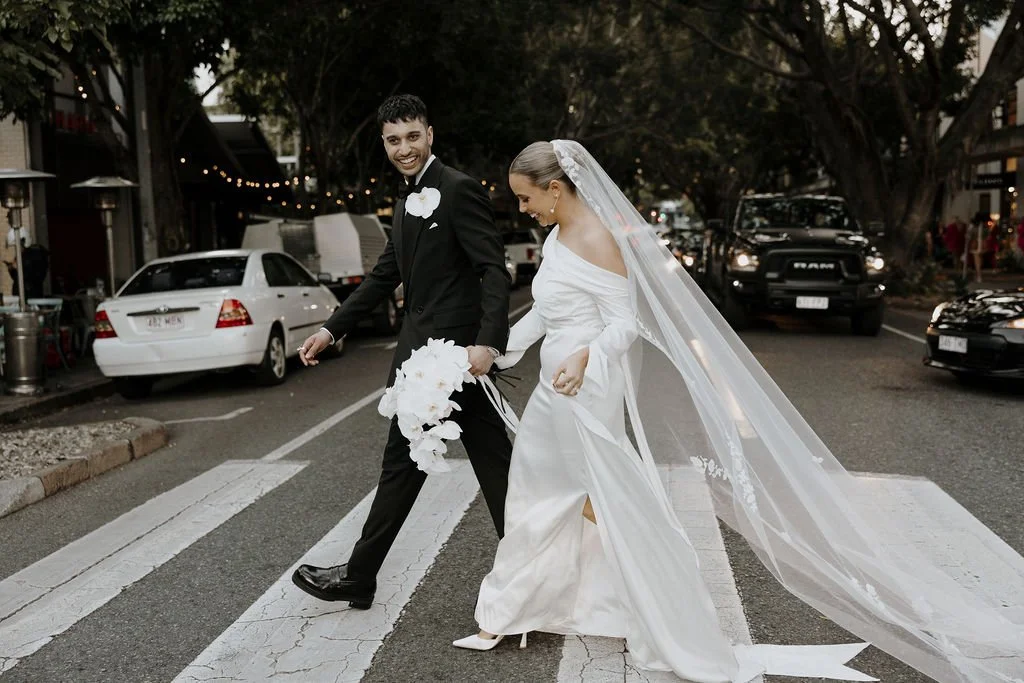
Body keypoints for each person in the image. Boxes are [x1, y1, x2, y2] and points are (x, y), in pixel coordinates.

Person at [453, 141, 1024, 683]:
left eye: (526, 198)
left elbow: (624, 324)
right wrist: (495, 350)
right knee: (553, 493)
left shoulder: (601, 240)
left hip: (587, 387)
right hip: (556, 389)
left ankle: (523, 611)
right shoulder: (554, 242)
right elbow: (545, 316)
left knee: (566, 494)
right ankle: (548, 604)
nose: (522, 209)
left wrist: (586, 356)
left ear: (556, 189)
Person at [291, 94, 513, 609]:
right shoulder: (405, 198)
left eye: (413, 136)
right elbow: (385, 275)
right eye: (394, 140)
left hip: (458, 362)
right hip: (423, 363)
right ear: (384, 143)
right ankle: (361, 575)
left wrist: (486, 343)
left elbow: (492, 270)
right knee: (420, 465)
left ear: (430, 134)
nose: (404, 148)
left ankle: (533, 573)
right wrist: (332, 330)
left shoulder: (459, 190)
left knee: (489, 469)